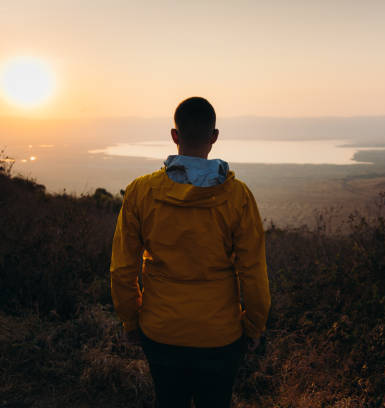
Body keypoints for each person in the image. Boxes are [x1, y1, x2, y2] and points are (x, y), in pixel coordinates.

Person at [110, 96, 271, 408]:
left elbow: (122, 269)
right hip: (220, 336)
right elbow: (253, 273)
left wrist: (131, 322)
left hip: (160, 332)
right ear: (214, 137)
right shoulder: (238, 197)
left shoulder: (141, 192)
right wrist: (253, 327)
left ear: (175, 135)